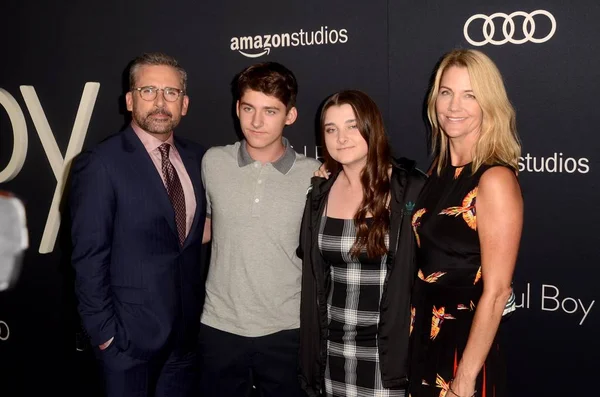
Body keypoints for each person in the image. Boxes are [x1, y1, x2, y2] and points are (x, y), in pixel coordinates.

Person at [70, 52, 207, 397]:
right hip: (127, 344)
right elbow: (89, 258)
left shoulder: (199, 158)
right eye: (149, 91)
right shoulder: (101, 164)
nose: (160, 102)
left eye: (171, 93)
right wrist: (105, 336)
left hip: (185, 340)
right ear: (130, 100)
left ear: (185, 103)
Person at [198, 61, 320, 396]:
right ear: (237, 107)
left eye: (270, 111)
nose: (256, 121)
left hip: (287, 329)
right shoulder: (213, 162)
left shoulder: (316, 175)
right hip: (219, 326)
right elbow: (205, 227)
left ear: (289, 116)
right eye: (249, 108)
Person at [408, 49, 523, 397]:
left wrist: (465, 378)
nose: (453, 106)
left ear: (488, 104)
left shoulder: (494, 179)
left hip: (464, 345)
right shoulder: (437, 172)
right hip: (423, 331)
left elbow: (499, 290)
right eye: (446, 92)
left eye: (469, 95)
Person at [298, 90, 427, 397]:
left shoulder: (408, 189)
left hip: (387, 357)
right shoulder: (320, 193)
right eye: (331, 129)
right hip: (331, 352)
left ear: (372, 127)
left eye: (352, 126)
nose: (341, 137)